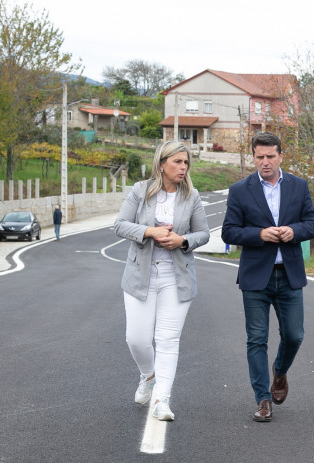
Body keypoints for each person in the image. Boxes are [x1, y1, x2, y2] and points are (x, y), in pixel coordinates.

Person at [221, 132, 314, 422]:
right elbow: (229, 231)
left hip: (288, 275)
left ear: (280, 156)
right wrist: (259, 234)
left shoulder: (299, 187)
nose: (265, 162)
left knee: (294, 335)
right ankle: (263, 399)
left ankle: (280, 371)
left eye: (270, 156)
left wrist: (295, 232)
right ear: (254, 157)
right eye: (259, 157)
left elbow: (312, 224)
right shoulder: (240, 190)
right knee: (256, 339)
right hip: (255, 277)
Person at [114, 140, 209, 421]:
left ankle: (162, 401)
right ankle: (148, 375)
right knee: (137, 338)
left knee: (168, 340)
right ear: (162, 163)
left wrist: (182, 240)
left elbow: (202, 233)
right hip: (140, 275)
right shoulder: (140, 191)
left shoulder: (191, 196)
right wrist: (150, 231)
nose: (183, 167)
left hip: (176, 277)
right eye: (178, 162)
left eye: (186, 163)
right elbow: (119, 225)